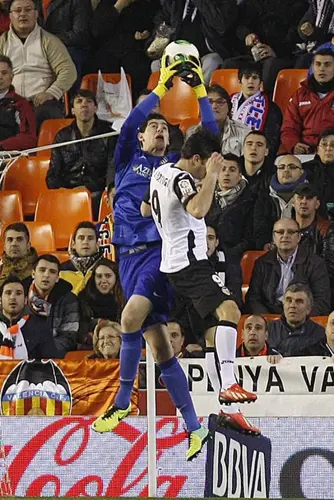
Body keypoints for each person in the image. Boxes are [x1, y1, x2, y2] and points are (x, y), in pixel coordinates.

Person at [91, 57, 221, 461]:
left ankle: (124, 398)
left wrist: (198, 90)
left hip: (157, 255)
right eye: (155, 127)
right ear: (143, 137)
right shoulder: (130, 159)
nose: (160, 131)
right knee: (161, 350)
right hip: (125, 260)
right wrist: (161, 86)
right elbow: (129, 123)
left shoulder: (172, 170)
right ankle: (195, 428)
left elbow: (210, 143)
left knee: (128, 319)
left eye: (166, 128)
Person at [149, 127, 261, 440]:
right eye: (205, 165)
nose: (205, 173)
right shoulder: (184, 178)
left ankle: (228, 409)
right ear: (197, 159)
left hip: (172, 263)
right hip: (190, 264)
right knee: (230, 311)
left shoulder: (162, 171)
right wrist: (210, 176)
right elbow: (198, 209)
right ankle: (228, 387)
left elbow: (147, 208)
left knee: (214, 331)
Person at [0, 0, 76, 127]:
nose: (23, 14)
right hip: (9, 102)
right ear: (10, 16)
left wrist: (51, 92)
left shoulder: (49, 41)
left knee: (44, 115)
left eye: (28, 10)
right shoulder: (3, 42)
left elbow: (68, 71)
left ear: (36, 14)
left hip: (41, 103)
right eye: (18, 10)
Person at [281, 48, 334, 155]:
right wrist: (293, 145)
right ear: (312, 68)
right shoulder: (299, 95)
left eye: (327, 65)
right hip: (305, 153)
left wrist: (333, 152)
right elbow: (289, 128)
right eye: (318, 64)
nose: (322, 69)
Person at [46, 89, 116, 214]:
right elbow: (52, 175)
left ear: (95, 108)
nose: (84, 104)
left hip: (99, 195)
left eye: (89, 101)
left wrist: (99, 190)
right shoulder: (62, 137)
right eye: (79, 101)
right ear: (72, 110)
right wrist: (68, 191)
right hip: (68, 194)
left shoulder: (109, 135)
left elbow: (112, 169)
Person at [245, 218, 331, 315]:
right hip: (269, 319)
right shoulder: (262, 263)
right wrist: (266, 320)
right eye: (280, 232)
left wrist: (298, 318)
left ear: (298, 237)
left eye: (291, 232)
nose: (285, 236)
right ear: (274, 237)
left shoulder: (315, 264)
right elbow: (253, 298)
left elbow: (322, 302)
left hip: (302, 320)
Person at [226, 0, 308, 95]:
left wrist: (275, 51)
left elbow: (296, 35)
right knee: (229, 64)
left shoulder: (298, 4)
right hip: (255, 53)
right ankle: (236, 105)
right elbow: (241, 26)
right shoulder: (251, 4)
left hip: (283, 55)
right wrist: (247, 35)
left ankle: (266, 104)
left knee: (270, 65)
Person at [149, 0, 237, 84]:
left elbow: (221, 25)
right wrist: (160, 41)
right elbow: (162, 22)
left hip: (204, 55)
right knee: (156, 65)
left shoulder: (222, 2)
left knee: (212, 61)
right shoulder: (174, 3)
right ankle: (170, 97)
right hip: (177, 55)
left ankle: (200, 96)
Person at [88, 0, 158, 97]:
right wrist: (118, 7)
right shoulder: (108, 3)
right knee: (102, 64)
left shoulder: (147, 4)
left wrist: (146, 34)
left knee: (138, 69)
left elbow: (153, 24)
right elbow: (97, 30)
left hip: (136, 48)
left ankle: (137, 104)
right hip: (108, 49)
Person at [292, 183, 334, 304]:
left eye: (309, 198)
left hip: (318, 291)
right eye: (300, 198)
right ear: (293, 203)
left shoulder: (327, 230)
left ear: (317, 204)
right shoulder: (285, 229)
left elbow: (331, 271)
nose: (304, 202)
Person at [23, 254, 79, 357]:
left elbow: (69, 337)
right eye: (42, 270)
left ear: (58, 277)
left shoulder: (69, 299)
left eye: (52, 272)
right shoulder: (19, 294)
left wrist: (43, 352)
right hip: (21, 354)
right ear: (33, 273)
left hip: (53, 358)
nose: (46, 275)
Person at [252, 154, 308, 250]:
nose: (286, 170)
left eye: (292, 167)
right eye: (281, 167)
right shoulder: (264, 196)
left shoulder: (310, 196)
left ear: (301, 172)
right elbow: (259, 228)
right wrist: (264, 244)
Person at [205, 153, 254, 262]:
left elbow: (250, 238)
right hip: (207, 255)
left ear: (239, 175)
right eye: (223, 169)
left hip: (236, 259)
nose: (226, 173)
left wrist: (227, 255)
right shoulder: (206, 197)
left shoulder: (251, 200)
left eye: (232, 170)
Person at [230, 63, 282, 158]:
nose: (250, 81)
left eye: (255, 78)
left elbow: (272, 140)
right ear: (239, 82)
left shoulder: (271, 108)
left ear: (260, 83)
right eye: (246, 77)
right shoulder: (228, 102)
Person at [0, 275, 57, 359]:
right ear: (0, 300)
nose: (13, 297)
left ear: (26, 300)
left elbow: (50, 363)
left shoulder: (40, 327)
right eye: (8, 293)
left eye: (18, 293)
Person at [35, 0, 91, 84]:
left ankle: (70, 96)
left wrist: (49, 40)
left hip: (69, 47)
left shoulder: (78, 2)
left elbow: (80, 34)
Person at [267, 283, 326, 358]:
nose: (292, 305)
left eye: (299, 301)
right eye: (289, 300)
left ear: (308, 309)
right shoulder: (268, 329)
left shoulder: (320, 334)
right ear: (283, 305)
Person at [78, 257, 124, 344]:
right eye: (99, 276)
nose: (103, 280)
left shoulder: (125, 298)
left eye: (108, 276)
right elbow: (80, 333)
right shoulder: (82, 298)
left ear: (116, 278)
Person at [0, 54, 35, 151]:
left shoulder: (21, 104)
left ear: (12, 76)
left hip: (8, 158)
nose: (0, 77)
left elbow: (29, 138)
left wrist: (2, 146)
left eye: (4, 73)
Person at [59, 222, 103, 295]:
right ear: (73, 244)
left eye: (90, 238)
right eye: (81, 238)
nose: (85, 242)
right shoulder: (61, 270)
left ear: (97, 244)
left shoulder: (108, 269)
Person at [206, 84, 250, 157]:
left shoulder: (245, 133)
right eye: (209, 102)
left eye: (220, 102)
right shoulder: (193, 133)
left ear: (229, 107)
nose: (214, 106)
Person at [135, 89, 183, 154]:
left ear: (159, 110)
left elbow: (174, 159)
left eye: (153, 106)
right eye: (144, 107)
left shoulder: (174, 133)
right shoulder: (129, 134)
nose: (149, 110)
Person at [203, 223, 242, 304]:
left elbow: (235, 296)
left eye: (210, 238)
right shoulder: (185, 263)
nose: (206, 242)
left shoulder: (230, 263)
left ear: (216, 242)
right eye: (201, 238)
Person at [241, 130, 273, 198]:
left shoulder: (273, 174)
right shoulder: (232, 168)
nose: (253, 148)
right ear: (243, 149)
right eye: (249, 144)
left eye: (259, 145)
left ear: (266, 152)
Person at [96, 182, 115, 262]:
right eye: (114, 196)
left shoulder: (138, 228)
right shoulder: (97, 229)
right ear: (107, 201)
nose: (119, 200)